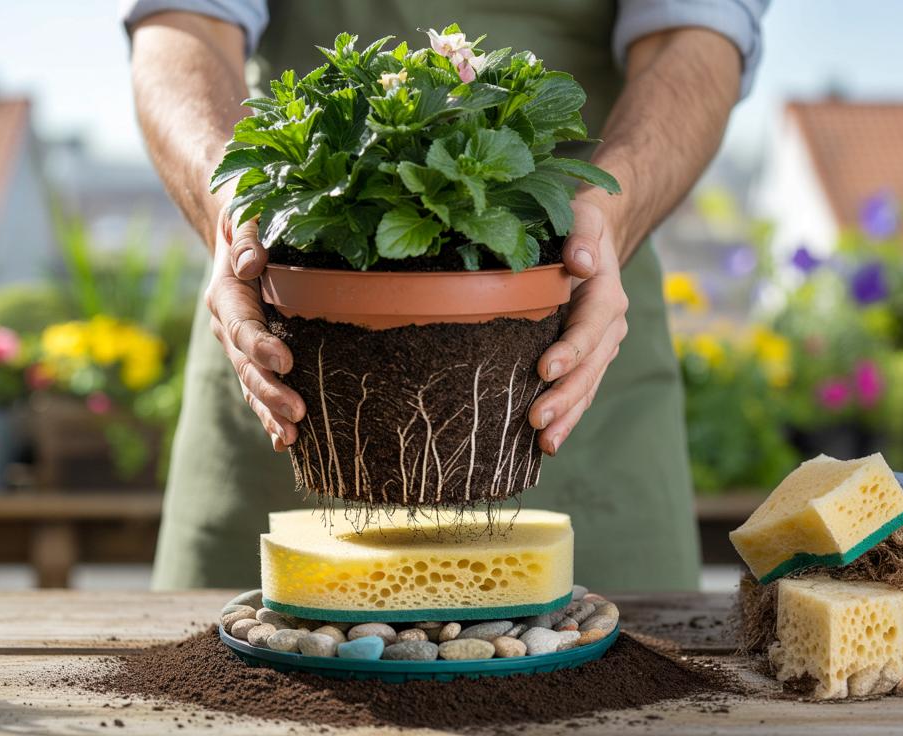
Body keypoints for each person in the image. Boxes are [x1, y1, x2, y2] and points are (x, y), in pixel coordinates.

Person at [125, 0, 768, 592]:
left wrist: (610, 215)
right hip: (284, 304)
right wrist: (232, 206)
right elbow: (186, 24)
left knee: (613, 680)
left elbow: (694, 38)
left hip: (577, 293)